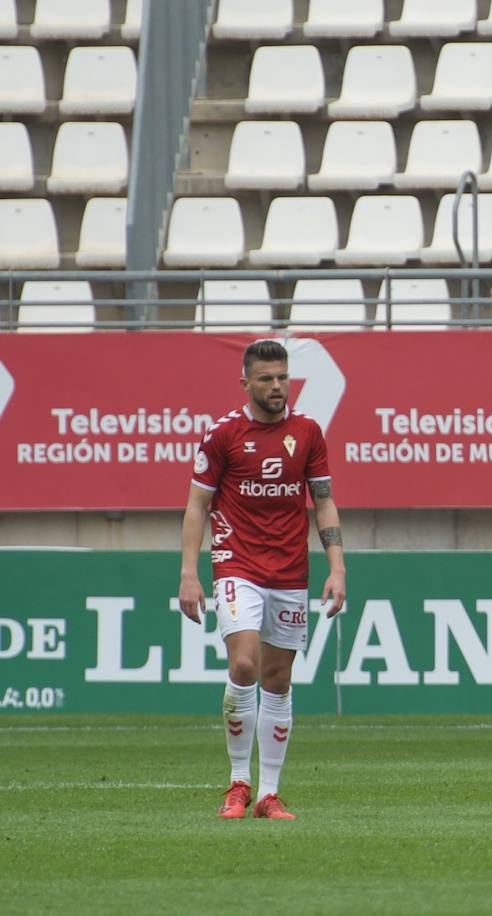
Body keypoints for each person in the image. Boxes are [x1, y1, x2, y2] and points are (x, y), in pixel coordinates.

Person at [178, 340, 346, 820]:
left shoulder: (308, 432)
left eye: (282, 378)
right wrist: (189, 573)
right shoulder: (223, 435)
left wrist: (337, 566)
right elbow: (197, 505)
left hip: (290, 570)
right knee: (246, 664)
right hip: (237, 564)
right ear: (246, 383)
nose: (277, 387)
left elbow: (324, 500)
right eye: (267, 379)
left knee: (278, 678)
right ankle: (238, 782)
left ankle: (269, 794)